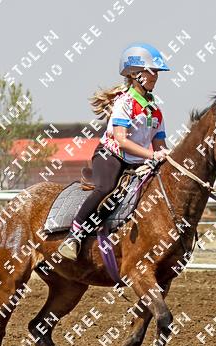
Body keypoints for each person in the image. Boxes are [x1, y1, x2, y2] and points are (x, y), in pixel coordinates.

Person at [58, 43, 170, 261]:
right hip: (111, 156)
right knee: (106, 187)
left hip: (138, 162)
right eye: (152, 71)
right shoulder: (124, 103)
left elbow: (160, 147)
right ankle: (74, 235)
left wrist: (167, 157)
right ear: (135, 74)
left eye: (157, 72)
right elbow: (121, 140)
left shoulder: (156, 110)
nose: (156, 76)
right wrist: (152, 156)